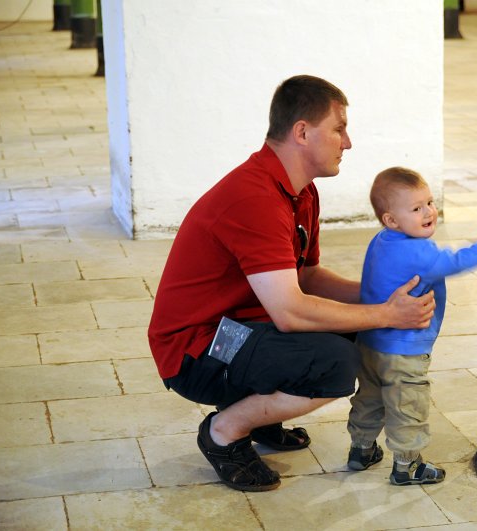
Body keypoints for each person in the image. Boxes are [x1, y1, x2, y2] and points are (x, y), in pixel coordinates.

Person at [147, 76, 436, 492]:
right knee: (336, 362)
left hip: (236, 327)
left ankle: (262, 412)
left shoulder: (300, 192)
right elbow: (290, 311)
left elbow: (306, 276)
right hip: (195, 349)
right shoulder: (256, 197)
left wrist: (378, 298)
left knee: (357, 326)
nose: (348, 142)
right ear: (302, 132)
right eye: (339, 128)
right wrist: (387, 312)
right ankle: (224, 431)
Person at [346, 167, 477, 485]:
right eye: (416, 208)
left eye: (429, 202)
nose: (428, 212)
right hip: (404, 351)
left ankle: (361, 449)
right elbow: (457, 261)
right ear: (391, 220)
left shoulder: (380, 242)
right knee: (407, 405)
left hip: (369, 344)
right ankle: (407, 466)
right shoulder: (419, 252)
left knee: (369, 396)